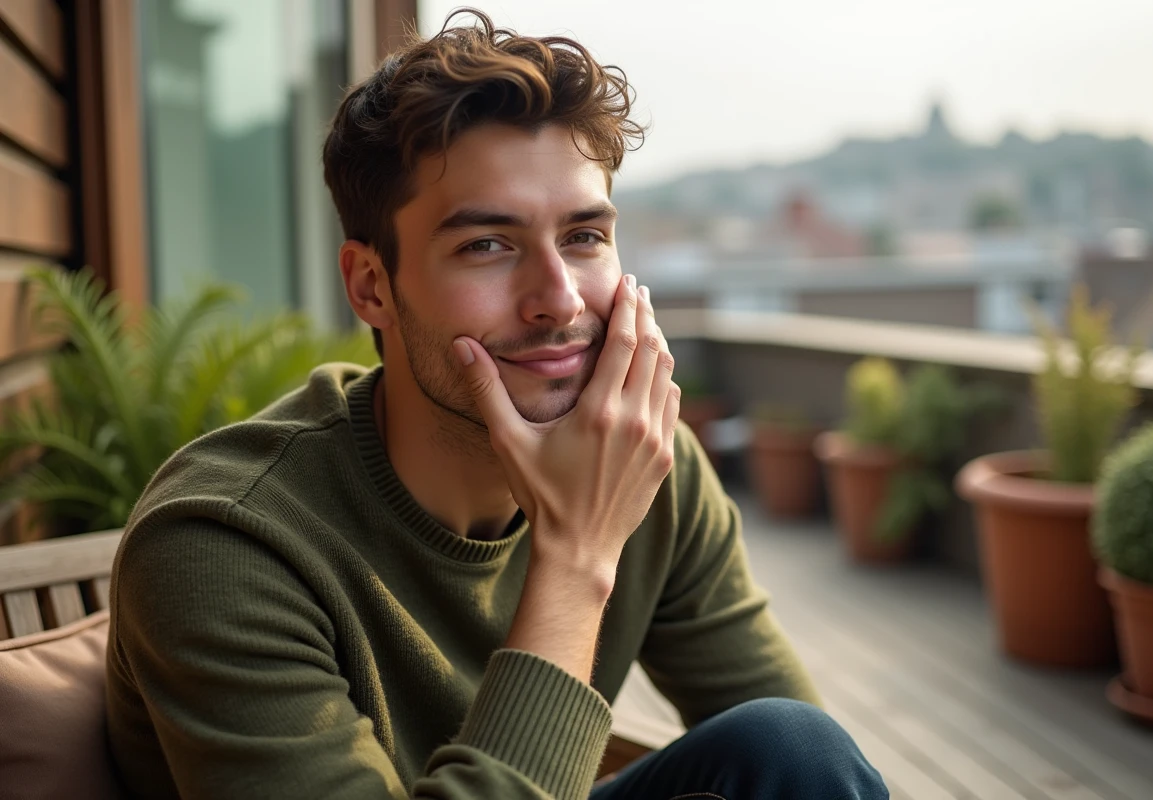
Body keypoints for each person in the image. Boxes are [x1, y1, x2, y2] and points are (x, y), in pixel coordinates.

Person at [105, 9, 888, 799]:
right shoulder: (225, 541)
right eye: (487, 245)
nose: (557, 300)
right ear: (372, 285)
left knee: (790, 745)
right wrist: (576, 557)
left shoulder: (641, 462)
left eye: (584, 236)